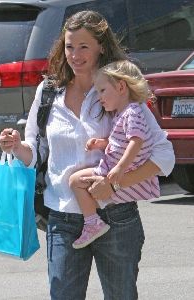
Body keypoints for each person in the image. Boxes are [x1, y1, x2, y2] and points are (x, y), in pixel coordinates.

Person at [0, 10, 175, 300]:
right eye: (69, 46)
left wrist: (117, 182)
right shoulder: (48, 91)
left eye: (84, 47)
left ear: (101, 47)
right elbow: (36, 154)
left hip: (117, 217)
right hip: (63, 219)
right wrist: (16, 146)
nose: (75, 55)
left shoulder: (118, 89)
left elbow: (164, 154)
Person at [69, 60, 161, 249]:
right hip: (114, 171)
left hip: (115, 171)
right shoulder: (122, 113)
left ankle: (92, 223)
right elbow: (123, 141)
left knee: (75, 181)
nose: (99, 97)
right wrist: (102, 143)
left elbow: (137, 140)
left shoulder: (132, 112)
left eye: (102, 91)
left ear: (120, 87)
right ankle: (93, 220)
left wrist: (120, 167)